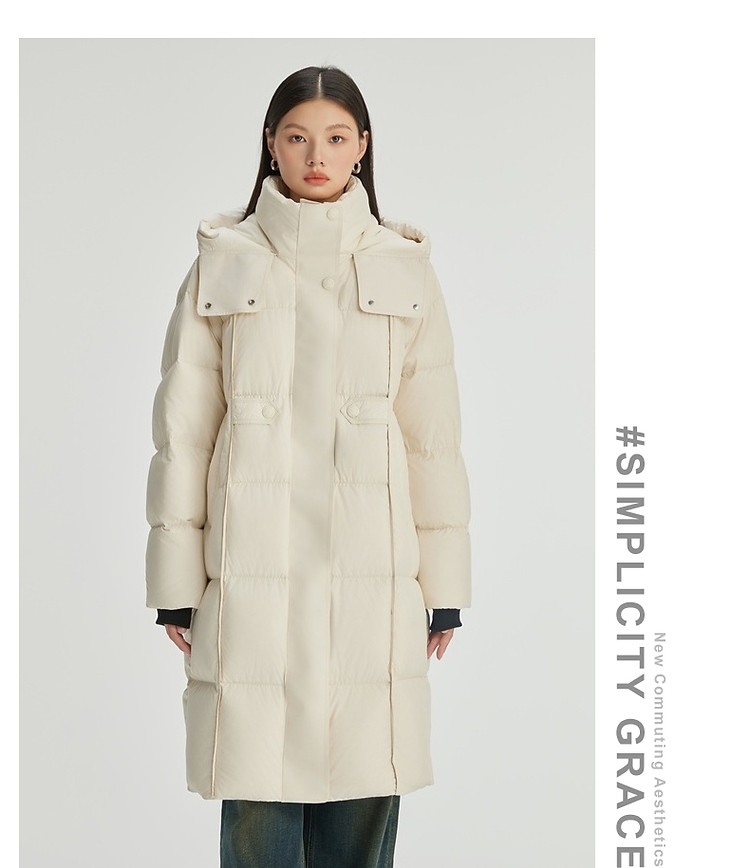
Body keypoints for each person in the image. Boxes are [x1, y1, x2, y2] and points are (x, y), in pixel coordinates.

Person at [145, 65, 472, 868]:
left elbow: (432, 438)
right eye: (297, 137)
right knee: (256, 795)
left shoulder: (404, 268)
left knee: (364, 789)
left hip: (373, 573)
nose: (315, 156)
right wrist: (175, 586)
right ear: (271, 145)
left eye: (334, 137)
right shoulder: (223, 263)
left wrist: (446, 591)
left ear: (362, 146)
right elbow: (184, 433)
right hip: (249, 569)